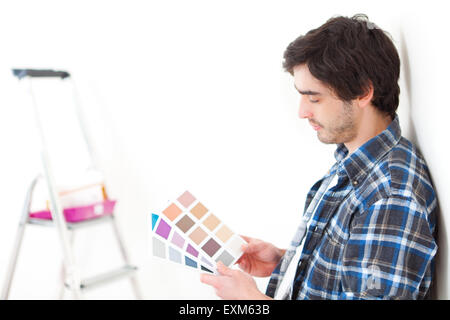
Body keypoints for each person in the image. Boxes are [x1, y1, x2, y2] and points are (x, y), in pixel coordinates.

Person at [200, 14, 438, 300]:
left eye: (314, 98)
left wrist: (251, 302)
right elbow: (357, 275)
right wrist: (285, 261)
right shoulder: (355, 163)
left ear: (363, 92)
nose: (302, 111)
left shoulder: (391, 196)